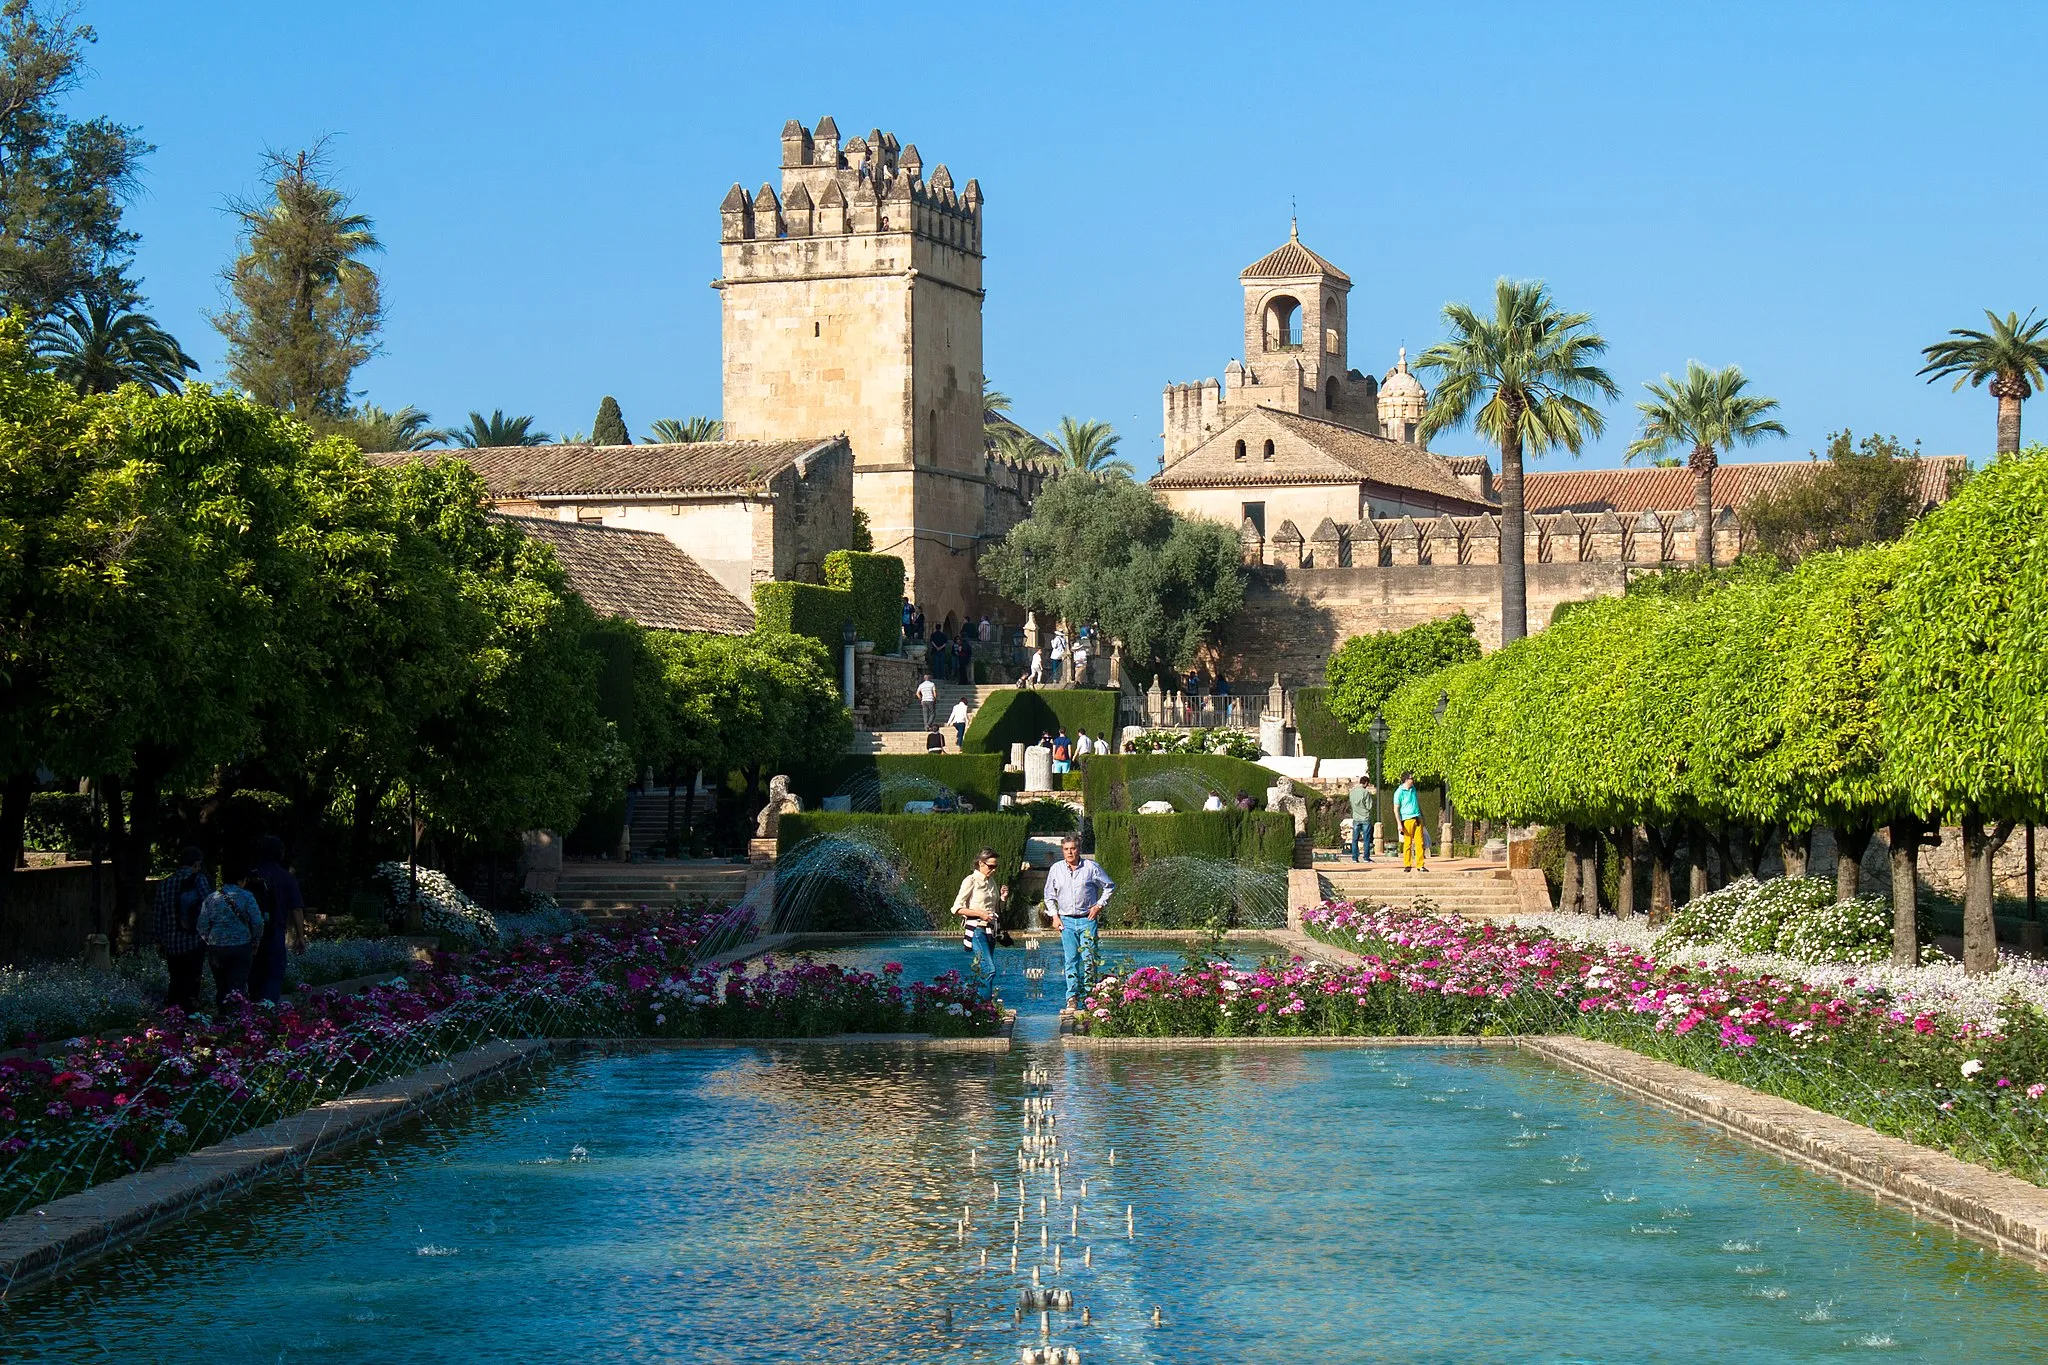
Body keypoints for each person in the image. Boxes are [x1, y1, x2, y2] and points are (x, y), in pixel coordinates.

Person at [1044, 835, 1114, 1011]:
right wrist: (1054, 916)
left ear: (1078, 849)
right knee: (1071, 960)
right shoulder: (1056, 869)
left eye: (1073, 848)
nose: (1070, 852)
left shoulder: (1091, 867)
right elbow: (1049, 895)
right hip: (1066, 921)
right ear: (1062, 851)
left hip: (1087, 919)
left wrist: (1099, 905)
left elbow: (1109, 886)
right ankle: (1072, 997)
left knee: (1089, 958)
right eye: (1066, 849)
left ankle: (1090, 996)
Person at [247, 835, 306, 1004]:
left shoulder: (251, 875)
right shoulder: (286, 877)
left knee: (254, 975)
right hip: (275, 930)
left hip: (251, 932)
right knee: (273, 975)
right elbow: (296, 908)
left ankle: (253, 1012)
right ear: (280, 853)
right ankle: (268, 1012)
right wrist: (300, 937)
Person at [152, 846, 211, 1013]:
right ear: (196, 864)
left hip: (172, 943)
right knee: (193, 981)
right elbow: (210, 902)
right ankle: (190, 1016)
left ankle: (173, 1016)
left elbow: (158, 915)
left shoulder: (164, 884)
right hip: (193, 939)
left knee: (176, 980)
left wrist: (158, 940)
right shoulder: (198, 880)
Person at [198, 875, 265, 1012]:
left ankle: (222, 1017)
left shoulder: (211, 898)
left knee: (221, 987)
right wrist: (255, 941)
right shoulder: (247, 896)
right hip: (241, 946)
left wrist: (210, 940)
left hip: (217, 947)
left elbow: (202, 925)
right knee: (238, 986)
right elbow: (258, 922)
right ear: (241, 880)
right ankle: (238, 1021)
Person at [950, 846, 1010, 1001]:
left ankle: (975, 1003)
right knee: (989, 970)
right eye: (991, 866)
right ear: (981, 864)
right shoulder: (970, 880)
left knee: (982, 971)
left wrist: (1002, 898)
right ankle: (985, 1007)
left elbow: (994, 908)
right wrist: (979, 913)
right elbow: (956, 908)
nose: (994, 869)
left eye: (996, 866)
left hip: (991, 930)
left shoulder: (991, 881)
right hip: (977, 930)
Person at [1397, 771, 1428, 872]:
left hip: (1417, 818)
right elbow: (1395, 809)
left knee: (1420, 843)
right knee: (1408, 843)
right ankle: (1407, 864)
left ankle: (1420, 865)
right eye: (1411, 778)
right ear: (1406, 780)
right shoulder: (1399, 792)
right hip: (1407, 820)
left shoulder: (1413, 789)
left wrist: (1422, 816)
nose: (1413, 780)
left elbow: (1416, 803)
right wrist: (1399, 823)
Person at [1348, 776, 1378, 864]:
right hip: (1365, 818)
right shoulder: (1365, 793)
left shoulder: (1352, 792)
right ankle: (1366, 857)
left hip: (1356, 818)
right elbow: (1369, 806)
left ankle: (1354, 857)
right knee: (1366, 839)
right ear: (1366, 783)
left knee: (1355, 839)